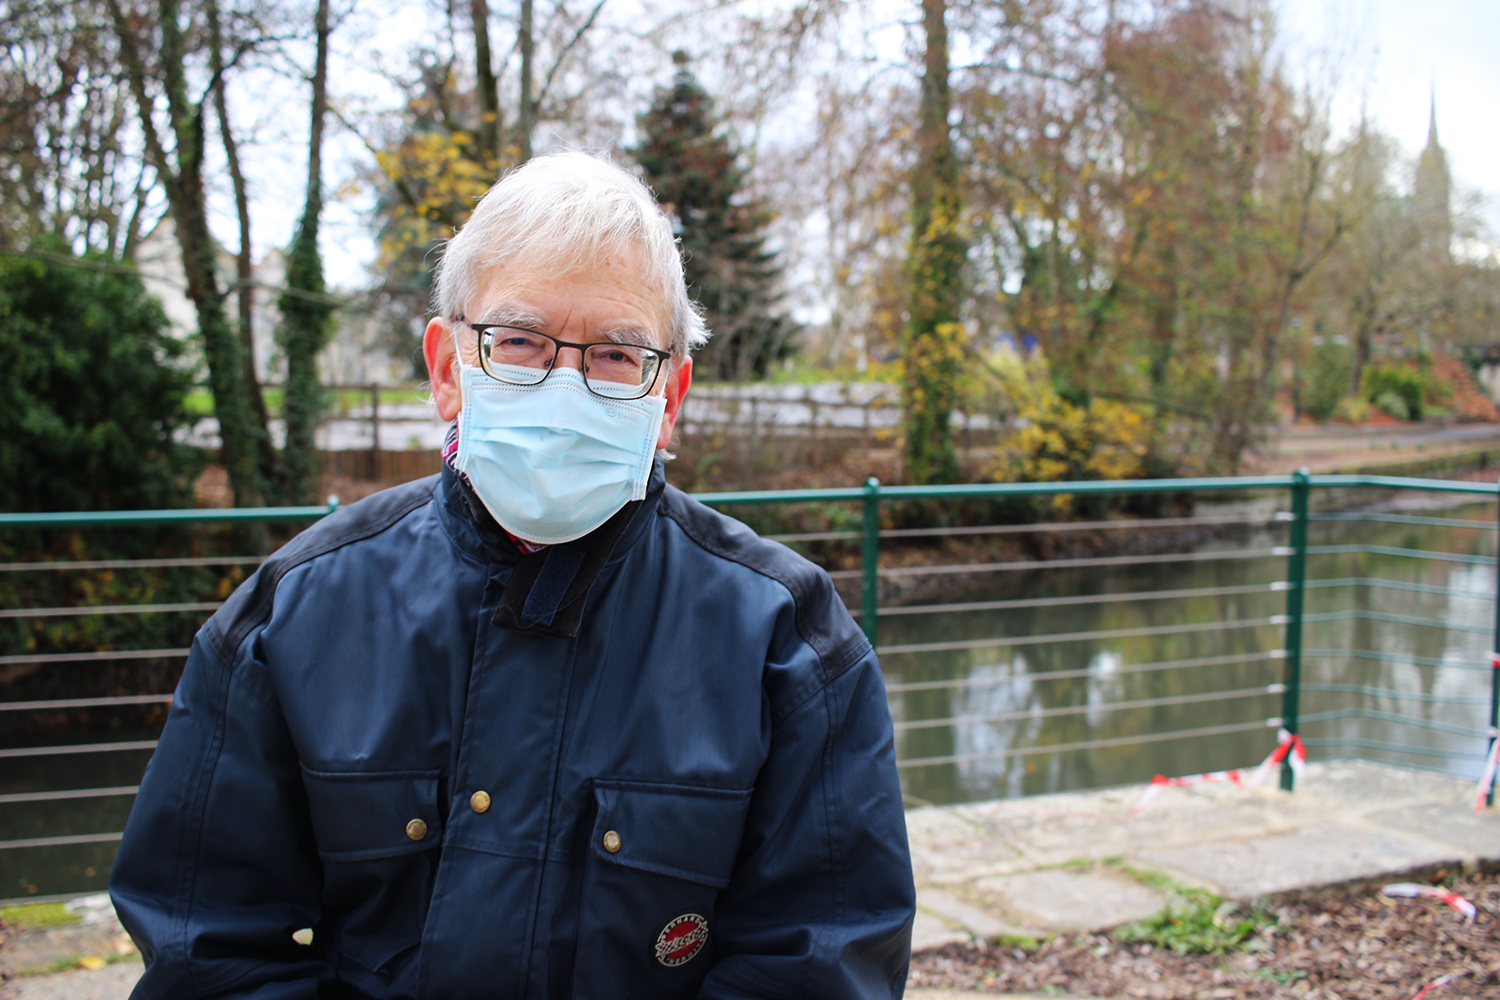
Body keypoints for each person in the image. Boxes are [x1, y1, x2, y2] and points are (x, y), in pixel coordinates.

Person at [110, 151, 915, 999]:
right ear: (449, 368)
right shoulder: (291, 620)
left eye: (614, 354)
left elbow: (822, 965)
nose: (563, 386)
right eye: (520, 342)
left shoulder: (788, 646)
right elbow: (210, 951)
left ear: (669, 394)